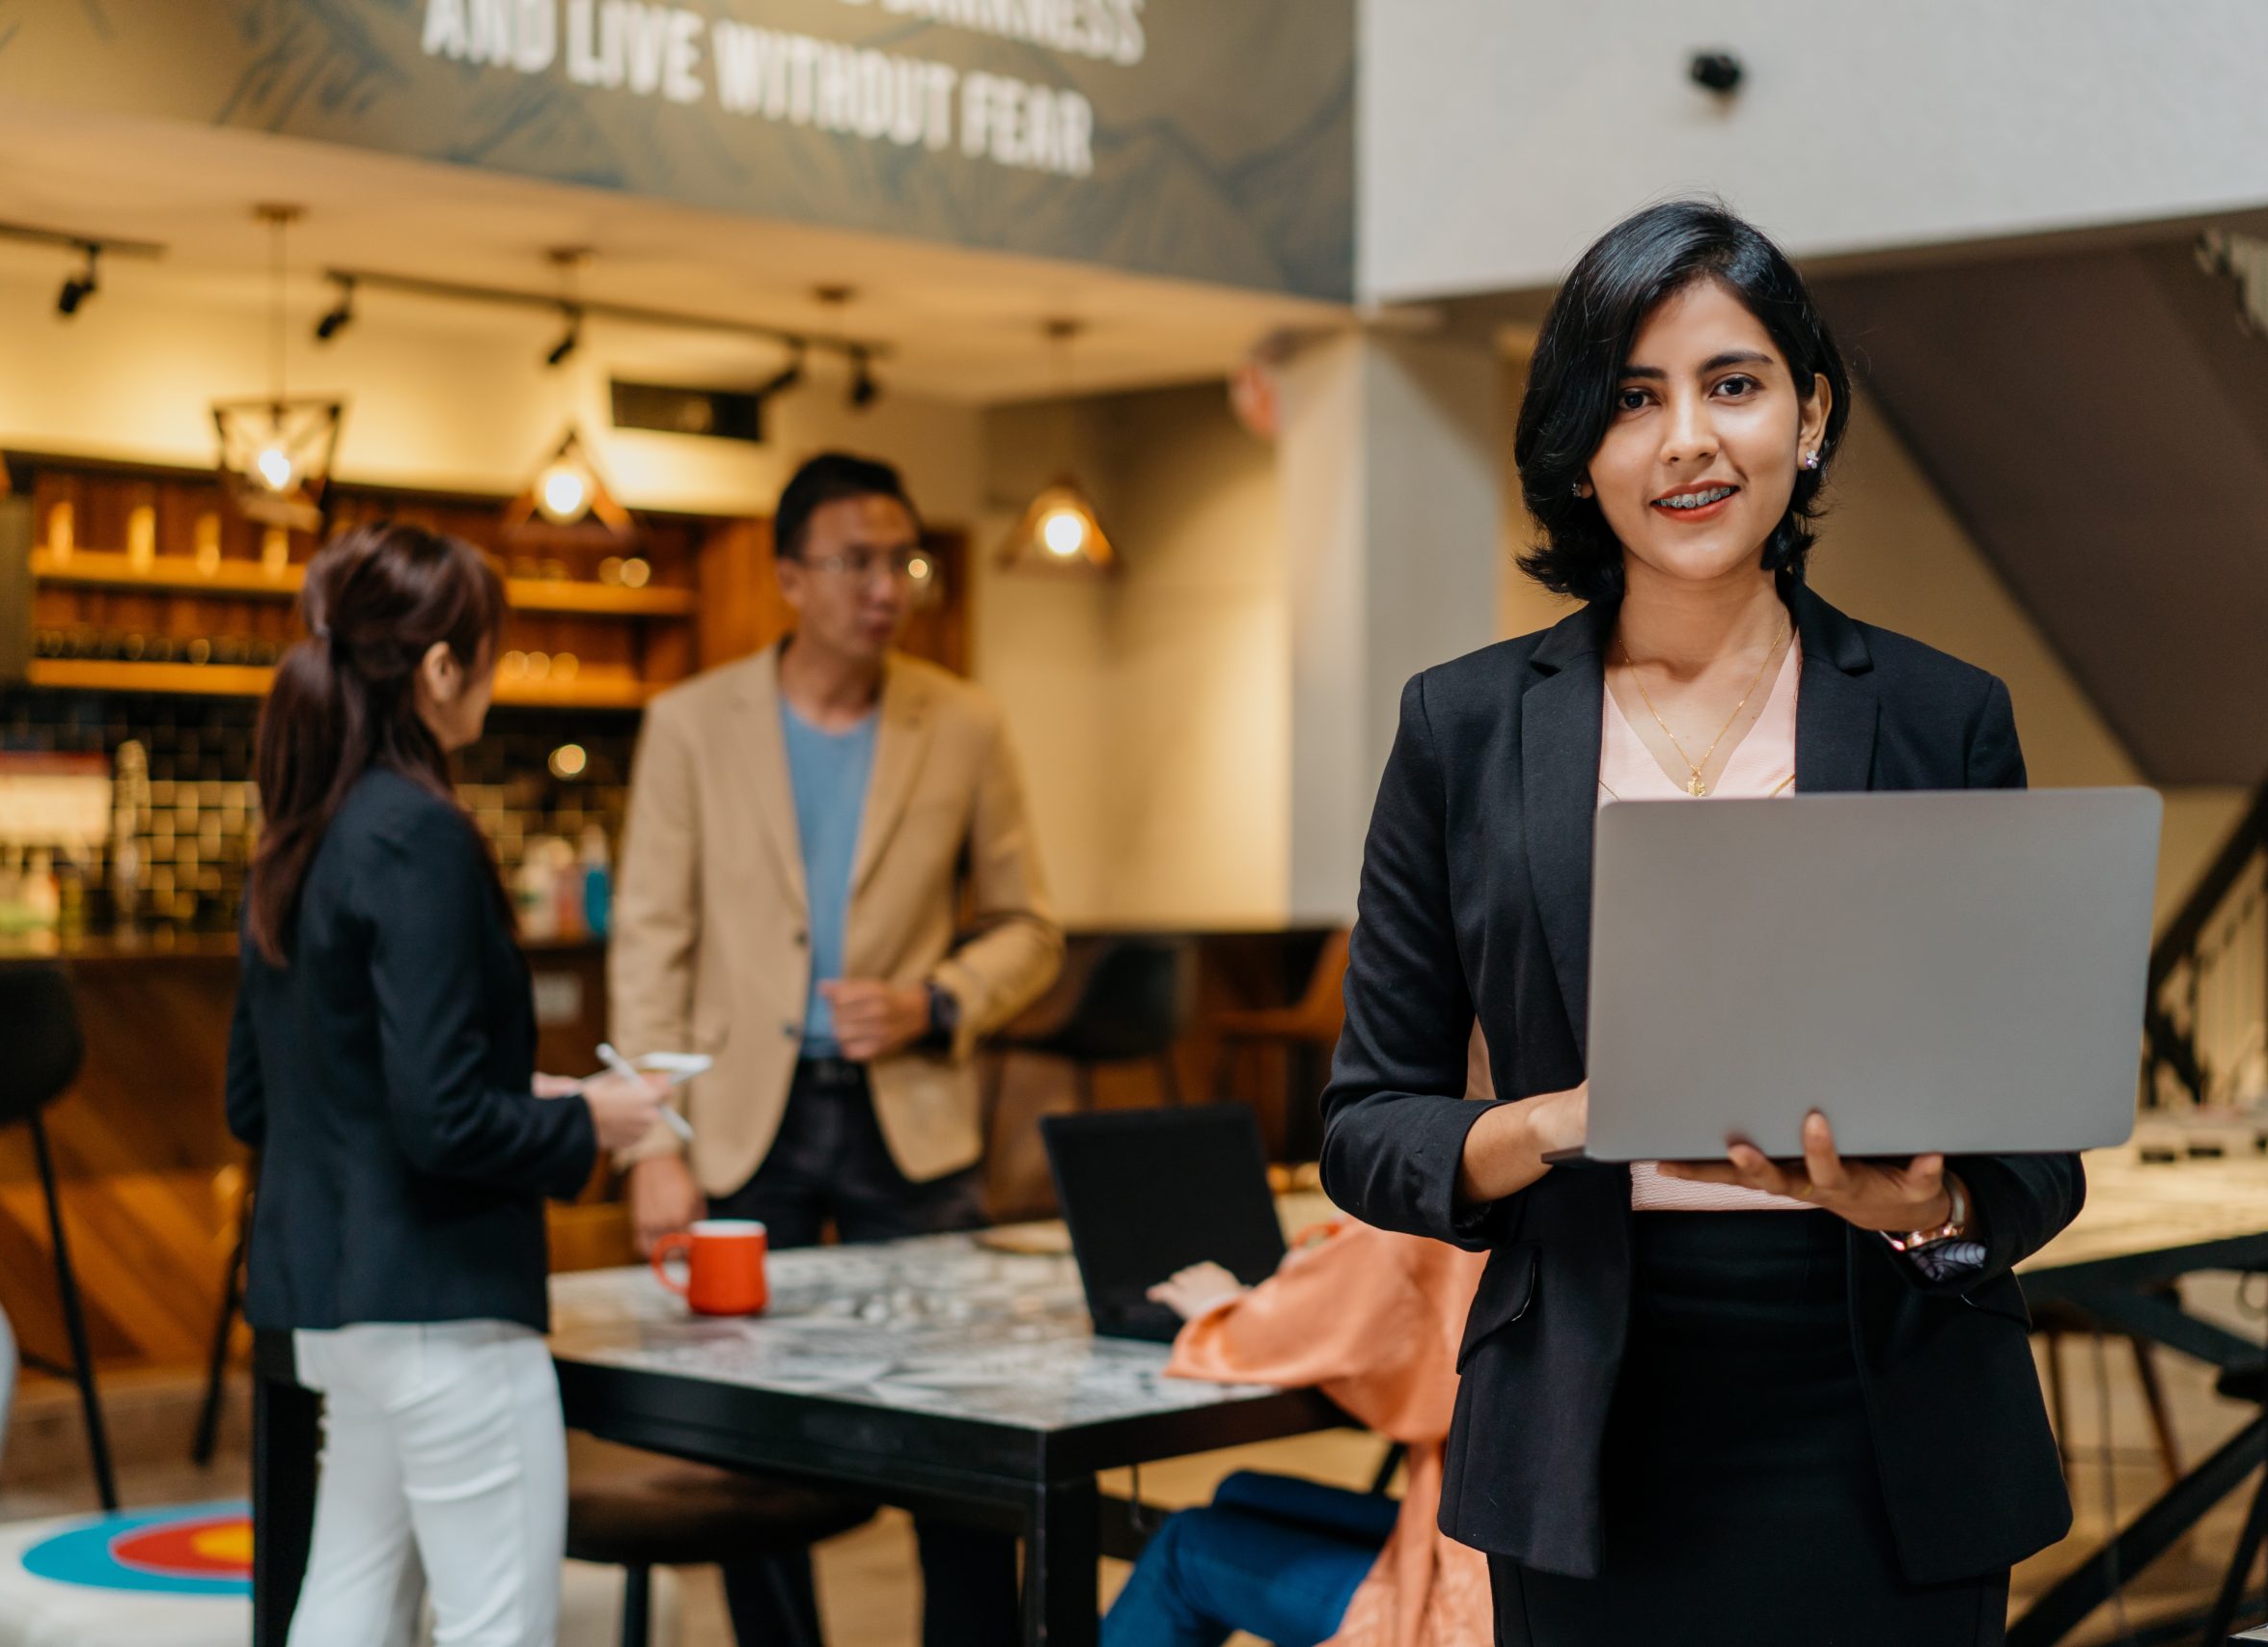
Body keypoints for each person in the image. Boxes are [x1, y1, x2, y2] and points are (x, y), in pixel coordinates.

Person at [1318, 200, 2086, 1647]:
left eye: (1733, 384)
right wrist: (1566, 1119)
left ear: (1809, 418)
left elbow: (2032, 1152)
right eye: (1632, 397)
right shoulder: (1464, 725)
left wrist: (1922, 1202)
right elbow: (1367, 1121)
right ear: (1577, 451)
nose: (1687, 439)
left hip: (1892, 1411)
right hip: (1588, 1425)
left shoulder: (1940, 714)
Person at [609, 451, 1064, 1645]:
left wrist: (939, 999)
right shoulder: (687, 724)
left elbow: (1031, 927)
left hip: (907, 1123)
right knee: (745, 1444)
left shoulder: (962, 722)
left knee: (960, 1439)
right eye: (855, 561)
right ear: (789, 579)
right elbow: (648, 948)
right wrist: (651, 1142)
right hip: (736, 1128)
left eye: (899, 560)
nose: (886, 586)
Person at [225, 522, 668, 1647]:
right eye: (490, 653)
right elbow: (441, 1119)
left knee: (349, 1602)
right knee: (497, 1626)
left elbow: (263, 1099)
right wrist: (592, 1123)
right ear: (437, 669)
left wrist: (521, 1095)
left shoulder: (300, 833)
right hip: (442, 1309)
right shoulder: (419, 835)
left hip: (330, 1307)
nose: (493, 679)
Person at [1103, 1213, 1489, 1647]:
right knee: (1240, 1493)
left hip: (1477, 1609)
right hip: (1507, 1546)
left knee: (1183, 1546)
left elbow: (1360, 1298)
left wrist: (1223, 1311)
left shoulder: (1462, 1199)